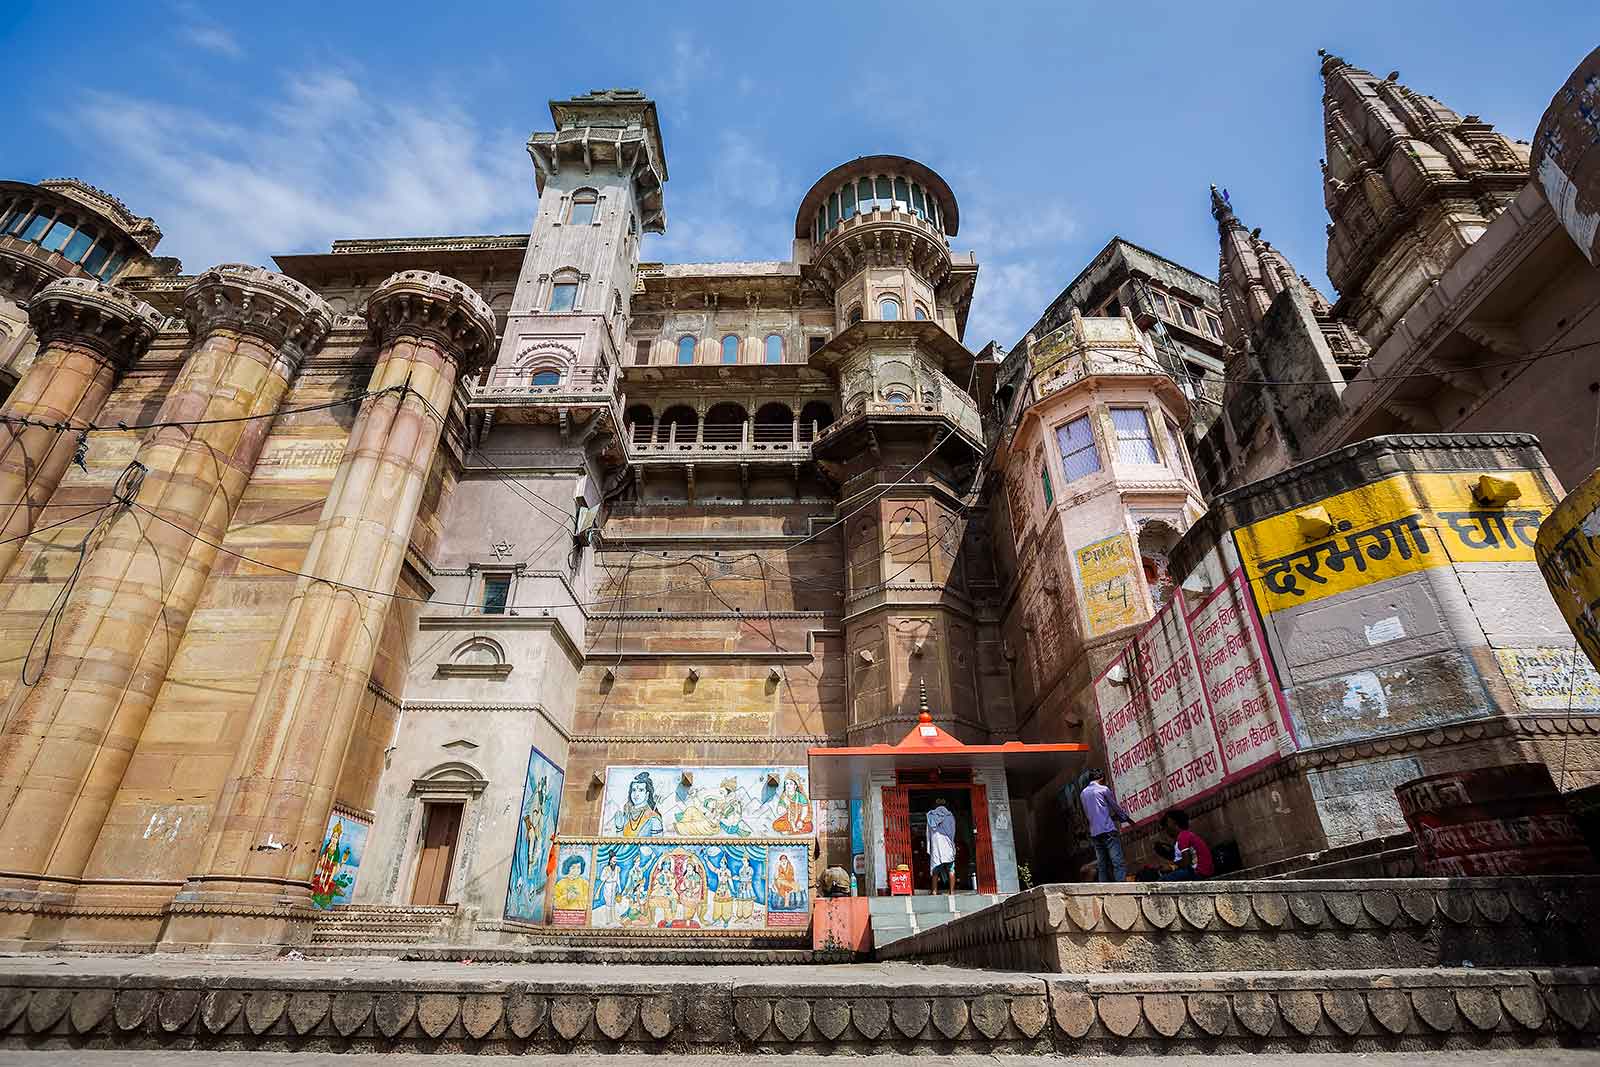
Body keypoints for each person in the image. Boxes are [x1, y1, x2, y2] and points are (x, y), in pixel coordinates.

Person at [1079, 769, 1133, 882]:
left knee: (1102, 864)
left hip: (1094, 832)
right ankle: (1121, 886)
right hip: (1108, 830)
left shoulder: (1083, 793)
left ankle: (1103, 887)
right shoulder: (1103, 789)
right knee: (1117, 862)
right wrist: (1126, 818)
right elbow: (1115, 807)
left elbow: (1090, 812)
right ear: (1102, 778)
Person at [1157, 808, 1215, 881]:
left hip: (1198, 872)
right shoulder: (1182, 837)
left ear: (1175, 824)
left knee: (1163, 881)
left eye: (1167, 825)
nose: (1166, 829)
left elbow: (1186, 862)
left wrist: (1171, 867)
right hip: (1198, 872)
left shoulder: (1183, 836)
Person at [926, 797, 957, 896]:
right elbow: (953, 831)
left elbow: (928, 833)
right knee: (951, 870)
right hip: (947, 845)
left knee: (935, 870)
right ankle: (951, 892)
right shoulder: (950, 816)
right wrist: (951, 842)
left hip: (936, 846)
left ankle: (934, 891)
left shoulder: (931, 816)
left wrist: (930, 844)